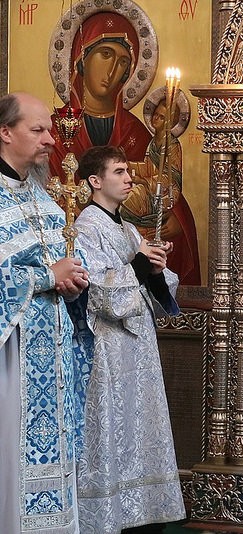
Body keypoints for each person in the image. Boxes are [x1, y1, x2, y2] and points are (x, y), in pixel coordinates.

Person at [74, 145, 185, 533]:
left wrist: (155, 268)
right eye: (119, 172)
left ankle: (143, 512)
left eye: (128, 171)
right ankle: (112, 516)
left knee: (139, 427)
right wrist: (139, 263)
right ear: (95, 180)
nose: (129, 178)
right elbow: (97, 291)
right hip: (107, 345)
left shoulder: (128, 229)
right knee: (113, 427)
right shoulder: (86, 228)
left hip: (138, 345)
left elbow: (147, 287)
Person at [0, 92, 91, 533]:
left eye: (49, 130)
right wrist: (45, 277)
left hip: (54, 358)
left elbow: (67, 265)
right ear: (5, 132)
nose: (51, 140)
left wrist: (73, 284)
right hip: (10, 358)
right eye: (37, 130)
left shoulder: (43, 198)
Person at [49, 11, 152, 181]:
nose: (112, 71)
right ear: (82, 57)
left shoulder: (135, 132)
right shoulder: (55, 129)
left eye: (123, 62)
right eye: (106, 54)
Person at [123, 94, 202, 285]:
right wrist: (129, 165)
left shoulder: (172, 145)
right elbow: (149, 167)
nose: (156, 119)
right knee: (124, 199)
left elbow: (170, 176)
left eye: (162, 117)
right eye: (155, 115)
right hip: (151, 188)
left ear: (170, 123)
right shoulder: (154, 142)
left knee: (128, 199)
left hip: (165, 193)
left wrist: (144, 181)